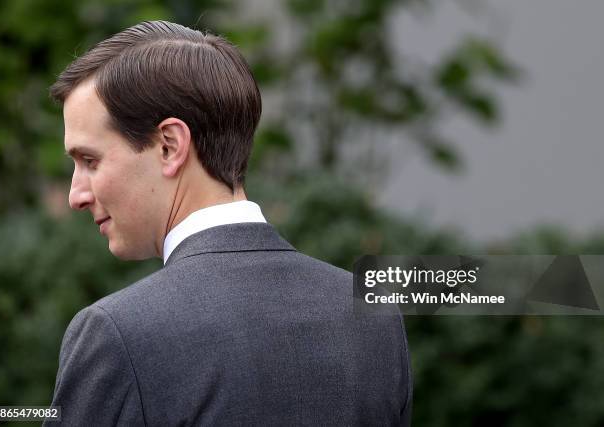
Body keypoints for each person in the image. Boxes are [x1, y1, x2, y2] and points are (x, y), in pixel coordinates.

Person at [45, 21, 412, 426]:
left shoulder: (116, 334)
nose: (76, 195)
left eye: (90, 161)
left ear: (169, 146)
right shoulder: (374, 319)